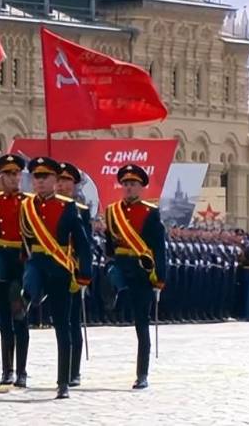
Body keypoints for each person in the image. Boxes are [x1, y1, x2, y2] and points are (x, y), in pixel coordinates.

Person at [20, 157, 92, 399]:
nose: (40, 182)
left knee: (61, 325)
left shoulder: (67, 207)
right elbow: (25, 241)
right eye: (36, 178)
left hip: (60, 267)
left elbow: (83, 244)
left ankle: (63, 381)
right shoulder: (26, 206)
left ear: (53, 181)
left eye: (45, 177)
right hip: (37, 263)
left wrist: (84, 275)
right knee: (30, 276)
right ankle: (26, 297)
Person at [104, 164, 168, 389]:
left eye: (133, 184)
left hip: (142, 270)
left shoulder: (151, 212)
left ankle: (142, 374)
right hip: (121, 266)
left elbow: (159, 248)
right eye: (126, 184)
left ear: (141, 187)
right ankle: (115, 296)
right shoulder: (112, 212)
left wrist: (160, 277)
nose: (129, 188)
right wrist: (110, 262)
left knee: (142, 323)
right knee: (108, 277)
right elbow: (109, 244)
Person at [0, 154, 30, 387]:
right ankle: (7, 369)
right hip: (1, 259)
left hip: (22, 260)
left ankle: (22, 370)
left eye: (15, 173)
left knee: (20, 316)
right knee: (3, 318)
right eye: (7, 174)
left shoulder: (29, 201)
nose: (13, 178)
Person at [55, 161, 93, 387]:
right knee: (60, 320)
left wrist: (82, 272)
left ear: (74, 185)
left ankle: (74, 370)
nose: (62, 185)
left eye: (66, 181)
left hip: (72, 269)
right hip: (53, 268)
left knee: (73, 320)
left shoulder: (81, 211)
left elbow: (85, 244)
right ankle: (64, 368)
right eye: (59, 180)